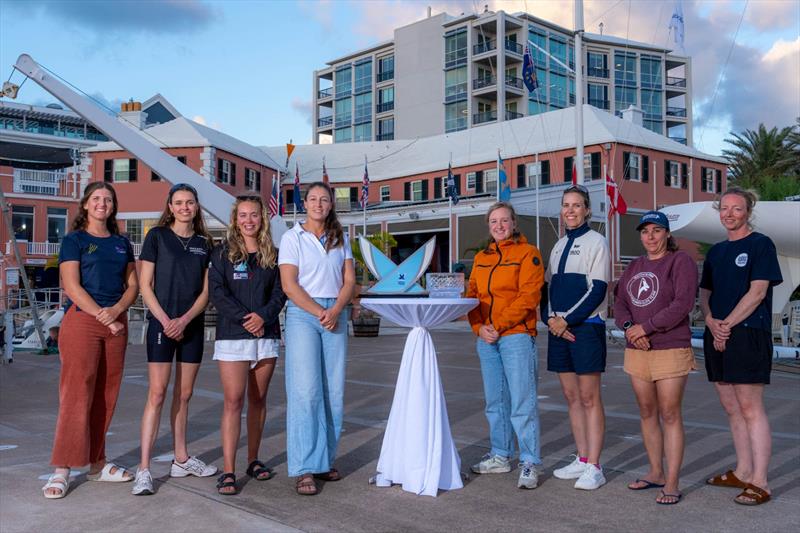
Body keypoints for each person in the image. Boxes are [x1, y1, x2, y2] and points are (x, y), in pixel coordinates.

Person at [42, 182, 139, 499]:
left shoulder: (122, 243)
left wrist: (117, 312)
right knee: (75, 396)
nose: (102, 203)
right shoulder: (75, 240)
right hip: (85, 320)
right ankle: (62, 470)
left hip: (115, 322)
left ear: (114, 206)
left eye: (108, 199)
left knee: (105, 396)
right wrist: (102, 315)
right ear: (85, 205)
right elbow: (71, 285)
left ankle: (98, 465)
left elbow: (132, 285)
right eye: (96, 198)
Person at [132, 183, 217, 496]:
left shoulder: (205, 242)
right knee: (157, 394)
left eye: (190, 203)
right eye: (179, 203)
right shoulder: (157, 236)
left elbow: (206, 291)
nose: (184, 208)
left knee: (184, 395)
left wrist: (184, 319)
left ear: (196, 207)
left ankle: (181, 459)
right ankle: (144, 469)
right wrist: (167, 320)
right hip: (161, 326)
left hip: (191, 325)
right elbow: (145, 285)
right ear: (170, 206)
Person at [700, 187, 782, 506]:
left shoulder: (761, 244)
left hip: (747, 334)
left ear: (748, 211)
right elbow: (705, 292)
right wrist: (710, 322)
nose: (729, 213)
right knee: (731, 407)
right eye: (724, 208)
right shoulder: (716, 252)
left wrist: (726, 325)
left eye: (736, 208)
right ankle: (743, 470)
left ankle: (761, 481)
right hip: (717, 334)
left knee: (750, 408)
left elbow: (757, 292)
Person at [614, 211, 698, 505]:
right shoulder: (635, 265)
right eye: (645, 231)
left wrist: (646, 327)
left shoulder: (680, 262)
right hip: (637, 349)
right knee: (647, 411)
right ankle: (655, 472)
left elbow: (683, 303)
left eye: (657, 230)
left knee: (670, 413)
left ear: (667, 234)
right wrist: (629, 329)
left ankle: (672, 482)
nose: (650, 236)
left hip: (670, 347)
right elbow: (621, 301)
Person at [279, 182, 355, 496]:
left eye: (324, 199)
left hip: (335, 311)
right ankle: (304, 467)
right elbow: (289, 284)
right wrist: (318, 312)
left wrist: (336, 308)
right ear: (305, 203)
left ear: (331, 205)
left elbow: (349, 280)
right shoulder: (291, 237)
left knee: (332, 392)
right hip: (302, 315)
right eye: (313, 198)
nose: (319, 203)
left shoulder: (341, 238)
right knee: (305, 391)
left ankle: (324, 461)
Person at [209, 195, 286, 495]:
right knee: (233, 402)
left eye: (254, 215)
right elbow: (217, 293)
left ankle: (253, 460)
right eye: (243, 215)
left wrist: (263, 317)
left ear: (262, 219)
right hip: (233, 337)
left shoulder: (274, 255)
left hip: (265, 337)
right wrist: (245, 319)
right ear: (235, 219)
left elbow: (281, 293)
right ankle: (228, 470)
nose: (249, 220)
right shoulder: (221, 254)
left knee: (259, 400)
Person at [467, 202, 545, 489]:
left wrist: (496, 326)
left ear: (514, 223)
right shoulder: (480, 258)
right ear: (489, 225)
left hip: (516, 336)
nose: (499, 226)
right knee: (495, 402)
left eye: (504, 221)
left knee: (522, 403)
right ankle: (500, 455)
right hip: (486, 339)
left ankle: (529, 461)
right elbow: (471, 295)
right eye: (493, 221)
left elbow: (528, 297)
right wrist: (478, 328)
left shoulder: (528, 254)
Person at [544, 184, 610, 490]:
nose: (570, 210)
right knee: (571, 398)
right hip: (558, 329)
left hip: (585, 328)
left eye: (576, 205)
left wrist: (566, 320)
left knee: (588, 397)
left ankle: (595, 466)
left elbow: (597, 289)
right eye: (566, 205)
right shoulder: (557, 246)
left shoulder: (598, 242)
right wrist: (550, 320)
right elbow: (548, 290)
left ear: (586, 210)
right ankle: (582, 459)